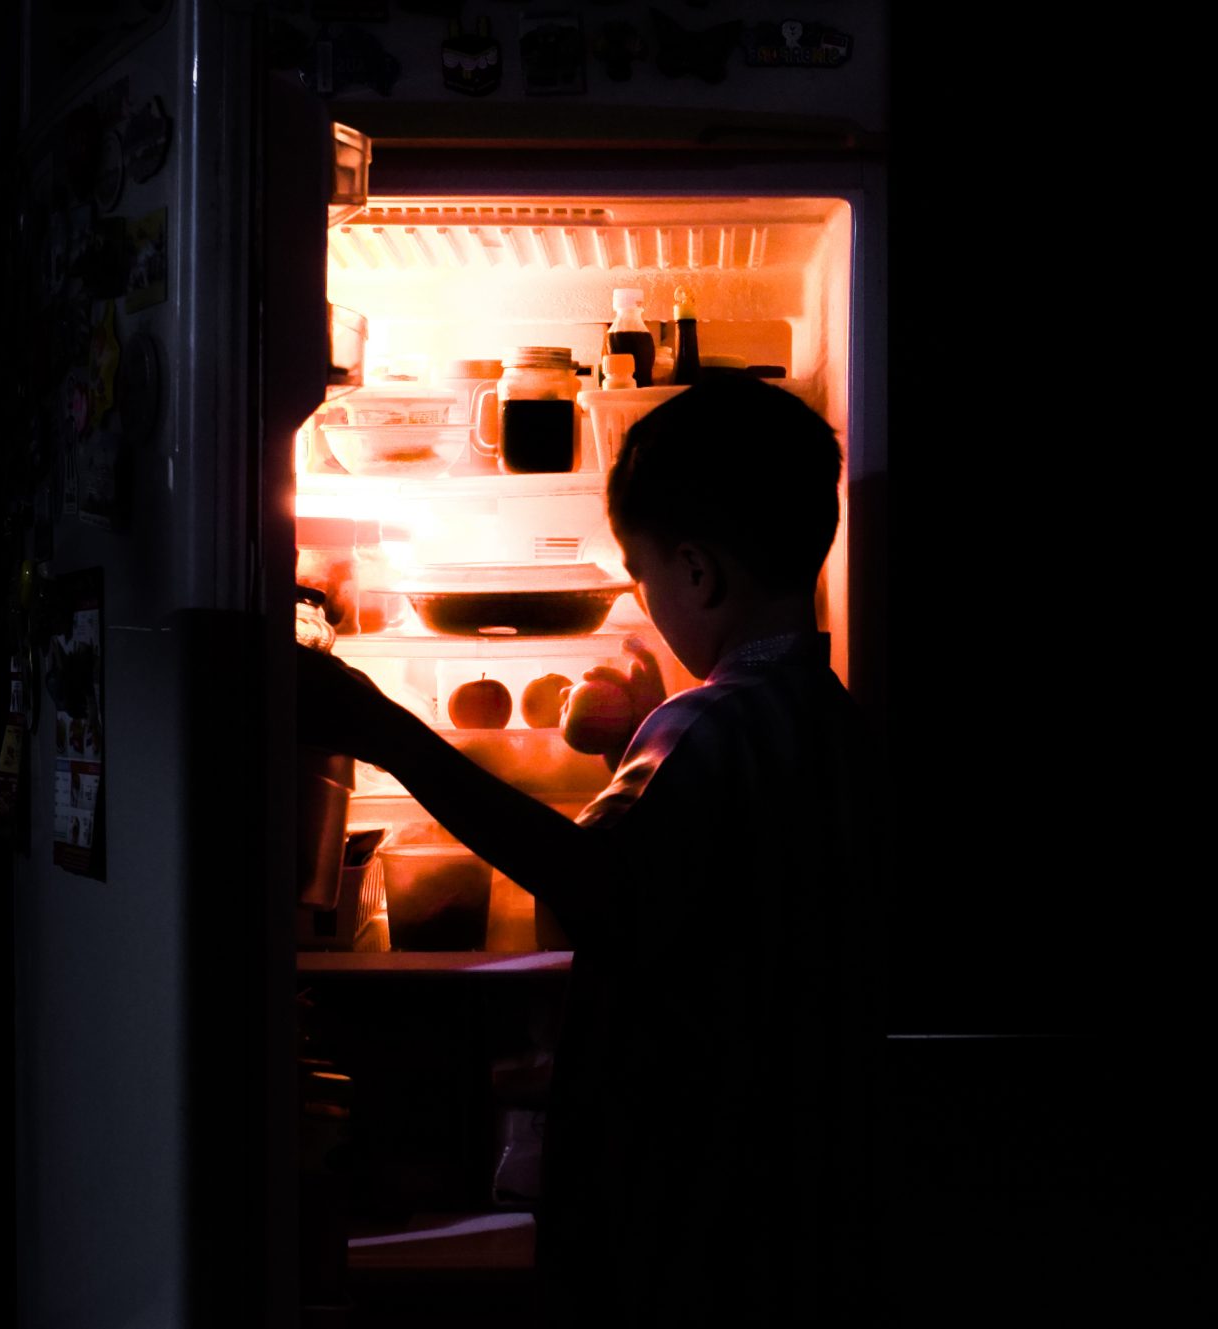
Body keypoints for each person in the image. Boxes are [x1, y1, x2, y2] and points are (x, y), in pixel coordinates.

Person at [297, 375, 887, 1324]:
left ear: (697, 574)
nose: (648, 602)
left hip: (685, 1204)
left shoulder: (705, 728)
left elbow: (589, 886)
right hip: (806, 1187)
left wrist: (387, 733)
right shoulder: (838, 727)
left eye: (645, 577)